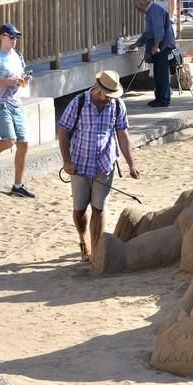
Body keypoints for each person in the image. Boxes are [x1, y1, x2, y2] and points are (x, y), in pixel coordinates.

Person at [58, 71, 140, 262]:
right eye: (108, 95)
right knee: (79, 209)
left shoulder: (118, 105)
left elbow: (123, 134)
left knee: (99, 209)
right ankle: (82, 239)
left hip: (105, 164)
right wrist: (67, 161)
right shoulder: (78, 103)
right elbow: (63, 132)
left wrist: (131, 164)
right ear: (98, 89)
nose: (110, 98)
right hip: (79, 164)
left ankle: (96, 252)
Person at [0, 24, 35, 198]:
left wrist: (25, 80)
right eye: (11, 37)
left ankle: (18, 185)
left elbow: (20, 76)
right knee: (10, 140)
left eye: (16, 37)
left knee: (24, 143)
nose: (14, 40)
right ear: (2, 37)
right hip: (0, 103)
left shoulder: (18, 56)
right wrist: (7, 82)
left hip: (16, 103)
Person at [128, 0, 177, 108]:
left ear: (142, 5)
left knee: (161, 73)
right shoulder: (152, 11)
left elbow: (158, 29)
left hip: (161, 45)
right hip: (158, 44)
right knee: (158, 73)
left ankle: (163, 99)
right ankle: (159, 98)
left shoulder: (154, 11)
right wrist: (138, 43)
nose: (139, 11)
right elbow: (148, 32)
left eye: (138, 8)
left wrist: (156, 44)